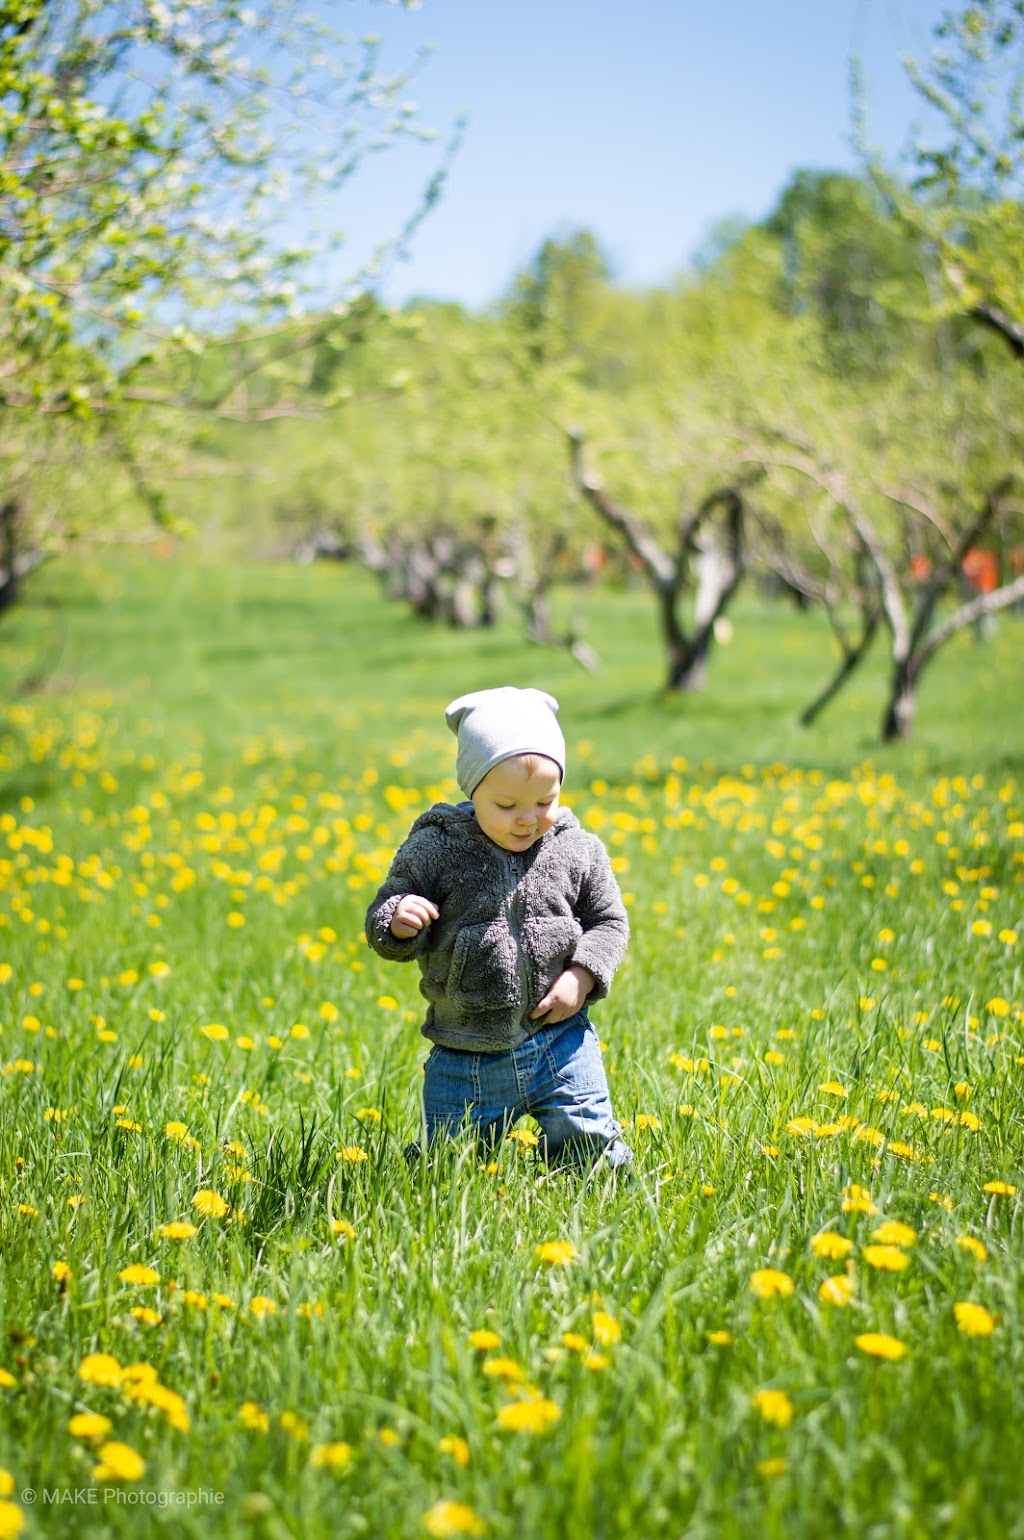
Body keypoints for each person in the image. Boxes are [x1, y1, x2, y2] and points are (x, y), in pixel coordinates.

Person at [364, 686, 632, 1170]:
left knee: (591, 1146)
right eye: (507, 806)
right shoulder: (437, 848)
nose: (528, 819)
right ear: (473, 789)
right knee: (450, 1165)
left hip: (561, 1039)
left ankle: (597, 1194)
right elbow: (385, 913)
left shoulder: (576, 849)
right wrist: (399, 921)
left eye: (545, 802)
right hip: (465, 1046)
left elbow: (608, 922)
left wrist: (583, 977)